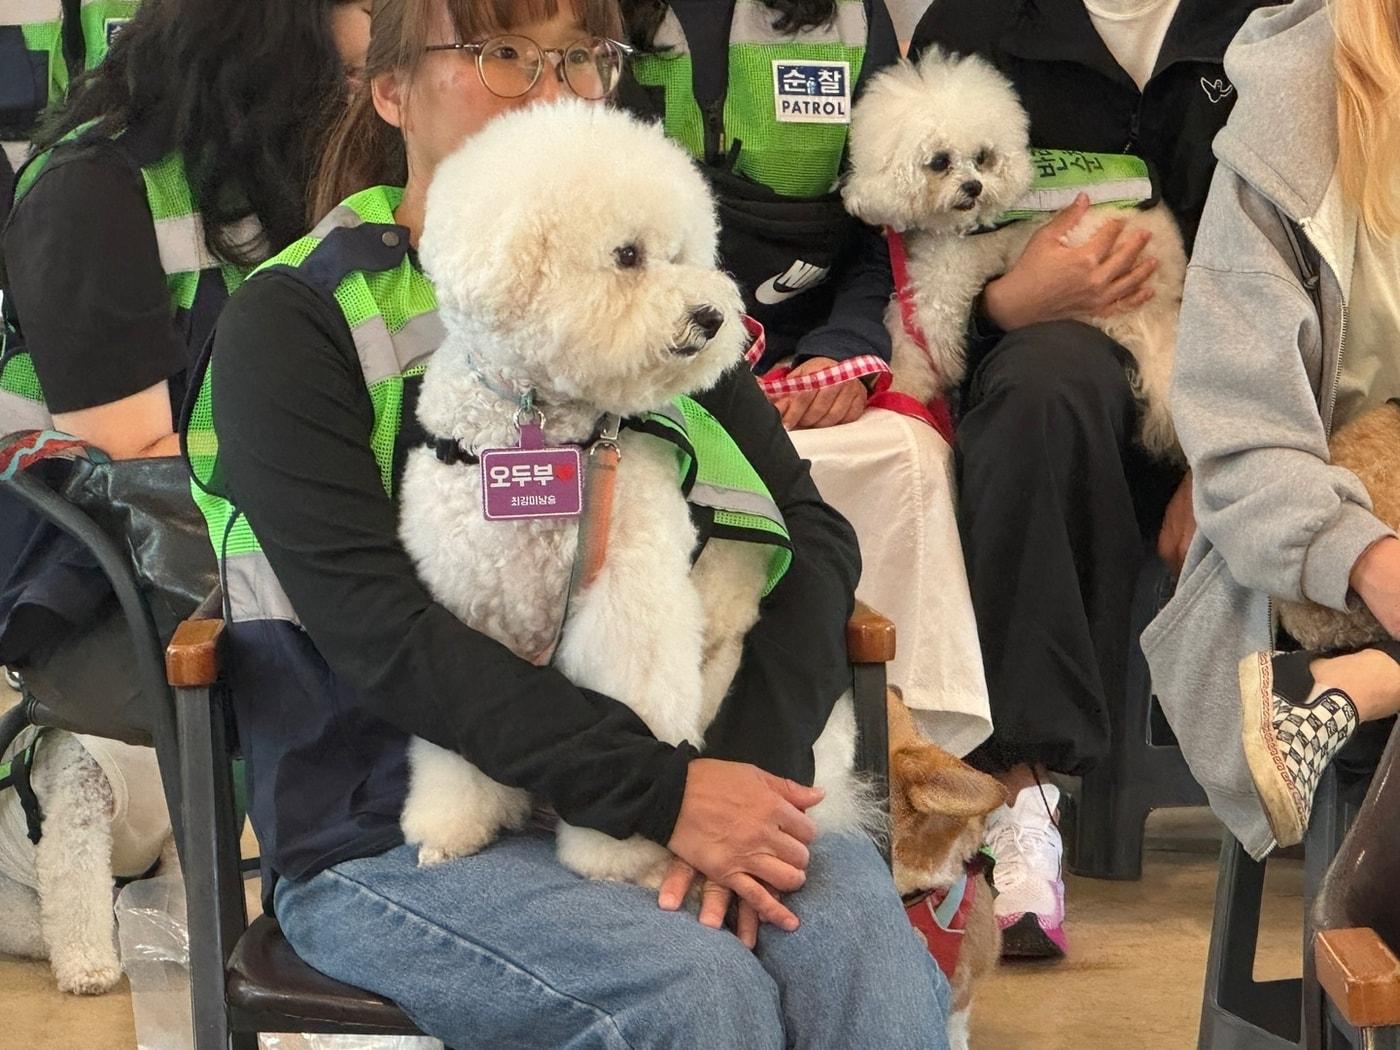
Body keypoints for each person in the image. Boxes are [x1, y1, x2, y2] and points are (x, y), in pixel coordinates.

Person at [186, 0, 952, 1045]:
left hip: (693, 769)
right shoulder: (298, 318)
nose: (550, 88)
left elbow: (811, 537)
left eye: (581, 57)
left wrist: (741, 781)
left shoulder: (648, 285)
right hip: (388, 820)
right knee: (695, 987)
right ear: (391, 89)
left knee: (853, 945)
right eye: (503, 54)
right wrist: (663, 795)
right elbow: (375, 630)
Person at [908, 0, 1267, 958]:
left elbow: (1299, 268)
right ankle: (1023, 796)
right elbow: (911, 229)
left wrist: (1224, 458)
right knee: (1041, 391)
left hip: (1247, 377)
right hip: (1050, 392)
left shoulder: (1272, 23)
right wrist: (1004, 303)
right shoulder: (977, 22)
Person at [620, 0, 995, 757]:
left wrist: (846, 347)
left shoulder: (855, 19)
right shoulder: (588, 23)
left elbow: (886, 221)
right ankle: (668, 765)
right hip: (639, 363)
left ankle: (914, 774)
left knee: (910, 461)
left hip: (812, 352)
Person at [1144, 0, 1400, 860]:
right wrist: (1364, 555)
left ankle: (1353, 689)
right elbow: (1243, 437)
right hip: (1327, 541)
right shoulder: (1293, 123)